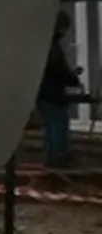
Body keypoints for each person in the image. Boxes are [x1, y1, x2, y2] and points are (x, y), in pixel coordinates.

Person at [38, 11, 84, 170]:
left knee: (49, 126)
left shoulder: (42, 45)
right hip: (53, 95)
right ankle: (58, 159)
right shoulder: (53, 47)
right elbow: (59, 70)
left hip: (42, 94)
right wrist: (73, 79)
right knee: (58, 126)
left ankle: (51, 158)